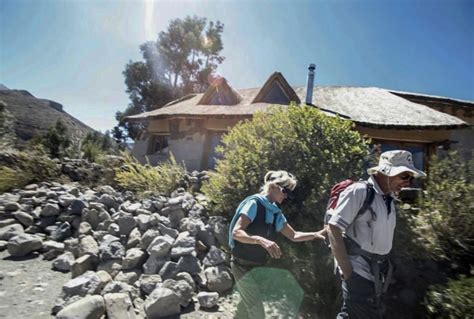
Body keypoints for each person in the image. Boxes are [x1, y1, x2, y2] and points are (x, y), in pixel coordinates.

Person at [327, 150, 426, 319]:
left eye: (411, 178)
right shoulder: (359, 192)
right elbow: (333, 229)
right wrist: (348, 272)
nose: (408, 182)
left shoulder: (388, 199)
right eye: (404, 176)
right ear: (386, 171)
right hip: (358, 271)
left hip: (378, 275)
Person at [228, 170, 326, 319]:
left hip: (257, 268)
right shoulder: (254, 204)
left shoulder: (275, 213)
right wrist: (260, 240)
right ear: (273, 186)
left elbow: (294, 235)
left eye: (289, 193)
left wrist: (315, 234)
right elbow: (237, 232)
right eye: (285, 191)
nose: (286, 196)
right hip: (241, 265)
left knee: (246, 307)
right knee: (257, 311)